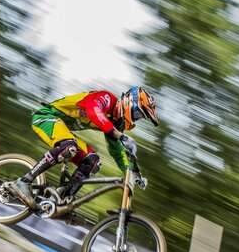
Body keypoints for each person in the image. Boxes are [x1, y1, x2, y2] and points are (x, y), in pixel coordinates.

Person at [9, 86, 158, 209]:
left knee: (93, 162)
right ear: (129, 101)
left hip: (64, 129)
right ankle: (23, 182)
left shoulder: (116, 122)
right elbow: (93, 111)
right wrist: (119, 135)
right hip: (46, 117)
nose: (136, 118)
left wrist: (131, 173)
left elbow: (117, 152)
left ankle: (62, 200)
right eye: (138, 113)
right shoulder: (107, 98)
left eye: (139, 117)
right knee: (69, 146)